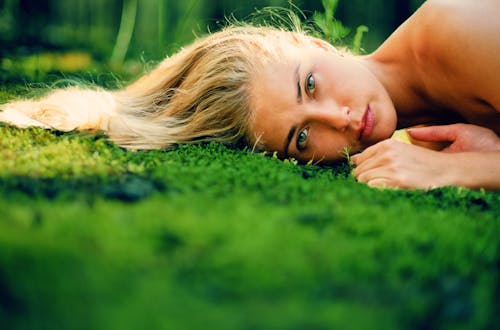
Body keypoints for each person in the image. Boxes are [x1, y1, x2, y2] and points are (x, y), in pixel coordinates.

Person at [0, 0, 498, 190]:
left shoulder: (458, 31)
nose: (339, 121)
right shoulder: (422, 116)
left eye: (309, 84)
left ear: (315, 42)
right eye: (301, 138)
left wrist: (460, 171)